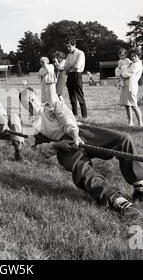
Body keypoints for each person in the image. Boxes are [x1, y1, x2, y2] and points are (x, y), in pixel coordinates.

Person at [18, 87, 143, 218]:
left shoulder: (53, 105)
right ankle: (117, 201)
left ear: (38, 97)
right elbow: (38, 149)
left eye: (32, 99)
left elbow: (66, 118)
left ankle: (139, 187)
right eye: (27, 103)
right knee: (82, 169)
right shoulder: (31, 126)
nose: (32, 104)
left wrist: (74, 134)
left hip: (80, 132)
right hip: (64, 147)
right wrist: (56, 145)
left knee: (123, 139)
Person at [115, 47, 142, 127]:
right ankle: (130, 122)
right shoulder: (131, 63)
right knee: (127, 105)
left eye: (135, 56)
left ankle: (140, 123)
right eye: (132, 56)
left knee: (134, 105)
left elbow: (127, 73)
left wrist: (120, 73)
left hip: (131, 87)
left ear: (139, 56)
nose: (133, 58)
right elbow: (118, 69)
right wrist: (119, 72)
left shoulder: (137, 64)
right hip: (125, 86)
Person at [64, 38, 88, 119]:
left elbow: (77, 66)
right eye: (67, 47)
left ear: (74, 45)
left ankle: (84, 116)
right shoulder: (69, 55)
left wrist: (70, 67)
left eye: (69, 46)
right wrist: (71, 66)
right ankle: (75, 115)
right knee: (72, 97)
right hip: (70, 76)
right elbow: (65, 67)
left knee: (80, 96)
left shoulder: (80, 53)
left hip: (77, 75)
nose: (68, 48)